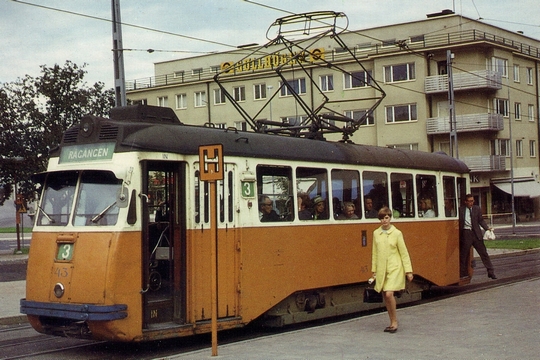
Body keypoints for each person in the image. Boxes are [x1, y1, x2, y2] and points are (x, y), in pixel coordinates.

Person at [371, 207, 413, 333]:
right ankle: (391, 321)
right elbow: (374, 253)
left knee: (389, 293)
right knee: (386, 295)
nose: (384, 221)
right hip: (382, 268)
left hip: (395, 268)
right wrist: (374, 270)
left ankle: (394, 322)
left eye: (386, 218)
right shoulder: (376, 233)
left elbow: (404, 252)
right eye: (382, 218)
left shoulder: (397, 233)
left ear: (390, 218)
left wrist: (408, 271)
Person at [459, 194, 496, 279]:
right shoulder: (461, 210)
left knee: (483, 253)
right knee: (463, 255)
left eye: (472, 201)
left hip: (476, 234)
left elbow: (481, 220)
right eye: (470, 201)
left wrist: (486, 228)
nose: (471, 203)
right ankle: (462, 273)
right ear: (465, 202)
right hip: (466, 233)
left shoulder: (477, 209)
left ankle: (490, 271)